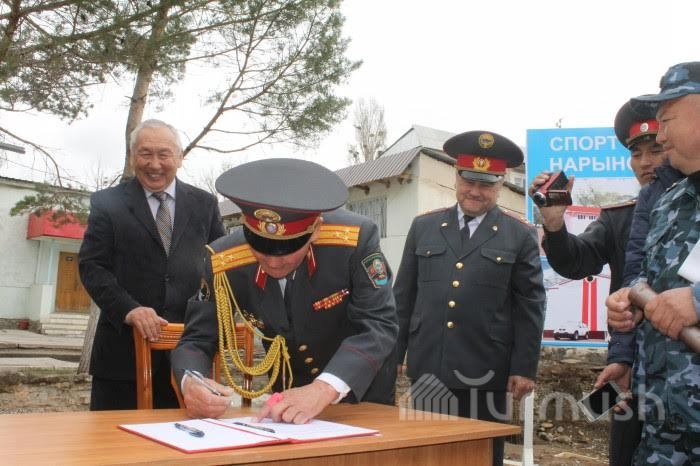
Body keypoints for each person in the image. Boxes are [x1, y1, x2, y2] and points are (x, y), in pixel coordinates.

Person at [171, 158, 398, 424]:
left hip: (360, 394)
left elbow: (379, 323)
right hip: (287, 404)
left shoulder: (354, 240)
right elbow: (197, 339)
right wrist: (192, 382)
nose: (273, 262)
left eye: (288, 249)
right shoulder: (223, 261)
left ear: (315, 231)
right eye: (260, 248)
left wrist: (323, 388)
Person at [394, 130, 546, 466]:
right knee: (428, 456)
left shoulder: (519, 234)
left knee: (480, 457)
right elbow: (403, 297)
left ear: (500, 183)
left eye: (486, 184)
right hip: (429, 366)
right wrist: (395, 354)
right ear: (456, 176)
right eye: (468, 181)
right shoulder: (424, 227)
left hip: (487, 372)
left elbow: (530, 306)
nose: (475, 191)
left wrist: (524, 368)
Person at [530, 101, 666, 466]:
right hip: (628, 371)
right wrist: (554, 222)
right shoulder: (621, 219)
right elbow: (576, 261)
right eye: (636, 154)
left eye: (656, 150)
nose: (645, 163)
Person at [79, 119, 225, 410]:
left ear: (179, 157)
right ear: (133, 157)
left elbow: (219, 267)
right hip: (122, 358)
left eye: (164, 154)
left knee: (184, 437)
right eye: (145, 154)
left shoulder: (204, 204)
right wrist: (129, 309)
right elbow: (92, 266)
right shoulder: (107, 202)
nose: (154, 164)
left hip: (188, 358)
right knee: (114, 438)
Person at [607, 62, 700, 466]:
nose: (660, 137)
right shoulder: (669, 202)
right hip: (665, 425)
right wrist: (629, 301)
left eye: (667, 122)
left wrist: (697, 300)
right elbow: (651, 277)